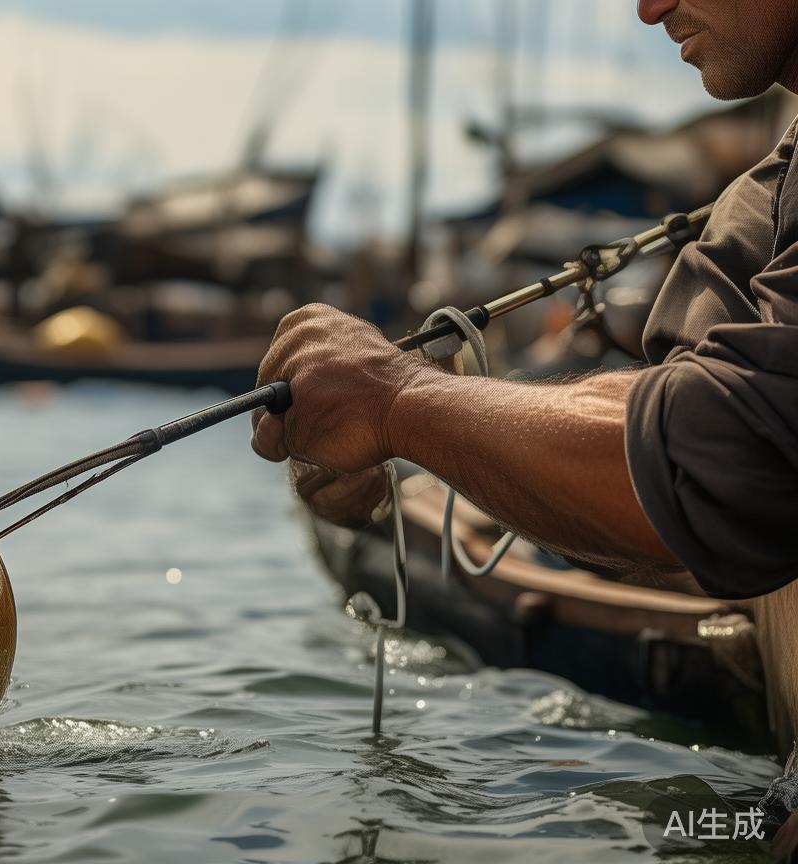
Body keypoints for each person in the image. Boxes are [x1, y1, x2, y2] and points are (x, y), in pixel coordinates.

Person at [251, 0, 798, 770]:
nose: (649, 9)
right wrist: (416, 421)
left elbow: (723, 461)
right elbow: (700, 437)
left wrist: (398, 404)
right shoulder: (767, 195)